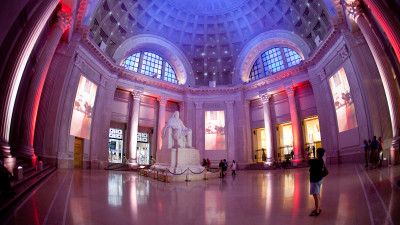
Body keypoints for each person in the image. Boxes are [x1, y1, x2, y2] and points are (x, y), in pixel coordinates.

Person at [308, 148, 326, 216]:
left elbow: (308, 161)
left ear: (318, 153)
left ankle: (317, 211)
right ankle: (317, 208)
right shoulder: (321, 160)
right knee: (317, 194)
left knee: (315, 196)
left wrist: (307, 154)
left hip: (315, 180)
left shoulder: (317, 161)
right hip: (319, 179)